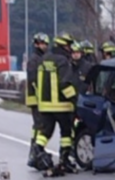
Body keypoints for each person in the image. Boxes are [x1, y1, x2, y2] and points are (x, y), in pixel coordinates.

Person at [33, 32, 78, 174]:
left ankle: (38, 150)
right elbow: (64, 84)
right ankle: (64, 160)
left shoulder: (43, 59)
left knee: (45, 132)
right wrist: (75, 99)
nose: (70, 48)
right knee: (66, 133)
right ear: (64, 46)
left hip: (45, 106)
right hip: (62, 105)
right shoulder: (63, 61)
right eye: (69, 45)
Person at [26, 32, 49, 168]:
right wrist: (41, 96)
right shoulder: (34, 59)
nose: (44, 46)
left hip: (39, 98)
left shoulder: (41, 58)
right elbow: (34, 80)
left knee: (39, 125)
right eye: (42, 44)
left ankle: (36, 151)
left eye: (45, 44)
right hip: (36, 98)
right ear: (36, 44)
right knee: (39, 125)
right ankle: (34, 152)